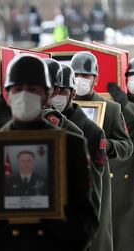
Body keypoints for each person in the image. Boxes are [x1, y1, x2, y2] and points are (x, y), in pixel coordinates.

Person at [0, 54, 98, 251]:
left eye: (32, 89)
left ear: (47, 94)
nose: (24, 95)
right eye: (18, 89)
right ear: (7, 94)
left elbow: (87, 220)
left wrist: (55, 217)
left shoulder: (71, 147)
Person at [71, 51, 133, 251]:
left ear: (95, 78)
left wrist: (108, 146)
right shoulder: (62, 108)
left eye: (85, 75)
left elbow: (126, 146)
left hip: (99, 181)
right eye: (76, 74)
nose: (80, 79)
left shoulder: (111, 109)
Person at [52, 63, 106, 218]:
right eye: (53, 90)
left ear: (73, 93)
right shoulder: (41, 121)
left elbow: (93, 187)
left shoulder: (92, 132)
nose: (56, 95)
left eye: (62, 90)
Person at [107, 58, 134, 251]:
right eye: (130, 77)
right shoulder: (117, 104)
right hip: (118, 180)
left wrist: (125, 107)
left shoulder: (123, 105)